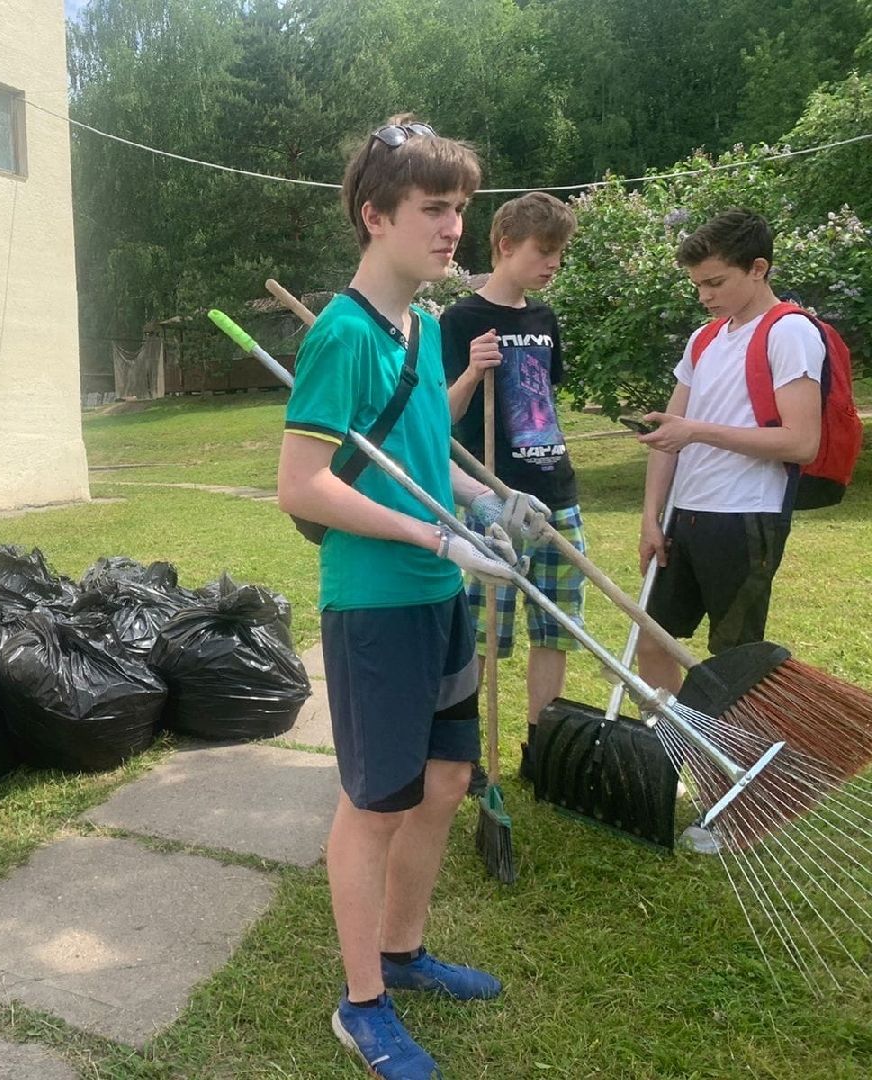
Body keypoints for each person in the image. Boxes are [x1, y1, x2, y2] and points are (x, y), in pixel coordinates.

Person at [278, 116, 550, 1079]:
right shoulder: (344, 335)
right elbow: (301, 485)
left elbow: (432, 467)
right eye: (435, 210)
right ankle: (363, 1004)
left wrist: (494, 499)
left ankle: (405, 949)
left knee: (441, 783)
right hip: (376, 606)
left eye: (461, 210)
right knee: (376, 803)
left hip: (440, 596)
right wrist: (435, 534)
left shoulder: (426, 328)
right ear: (374, 216)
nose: (452, 229)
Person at [635, 210, 824, 692]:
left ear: (758, 268)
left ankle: (742, 762)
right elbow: (667, 434)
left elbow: (801, 442)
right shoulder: (704, 338)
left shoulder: (791, 332)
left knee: (736, 661)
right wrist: (652, 519)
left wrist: (697, 431)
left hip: (745, 517)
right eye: (697, 285)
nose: (704, 297)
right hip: (685, 518)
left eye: (715, 282)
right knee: (651, 639)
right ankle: (677, 752)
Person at [441, 191, 583, 777]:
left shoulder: (544, 320)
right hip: (490, 500)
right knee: (481, 634)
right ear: (504, 246)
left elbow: (544, 400)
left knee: (556, 628)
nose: (553, 263)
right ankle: (466, 753)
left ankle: (540, 752)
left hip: (556, 494)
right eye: (544, 251)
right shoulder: (460, 320)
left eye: (559, 254)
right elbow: (440, 422)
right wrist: (474, 370)